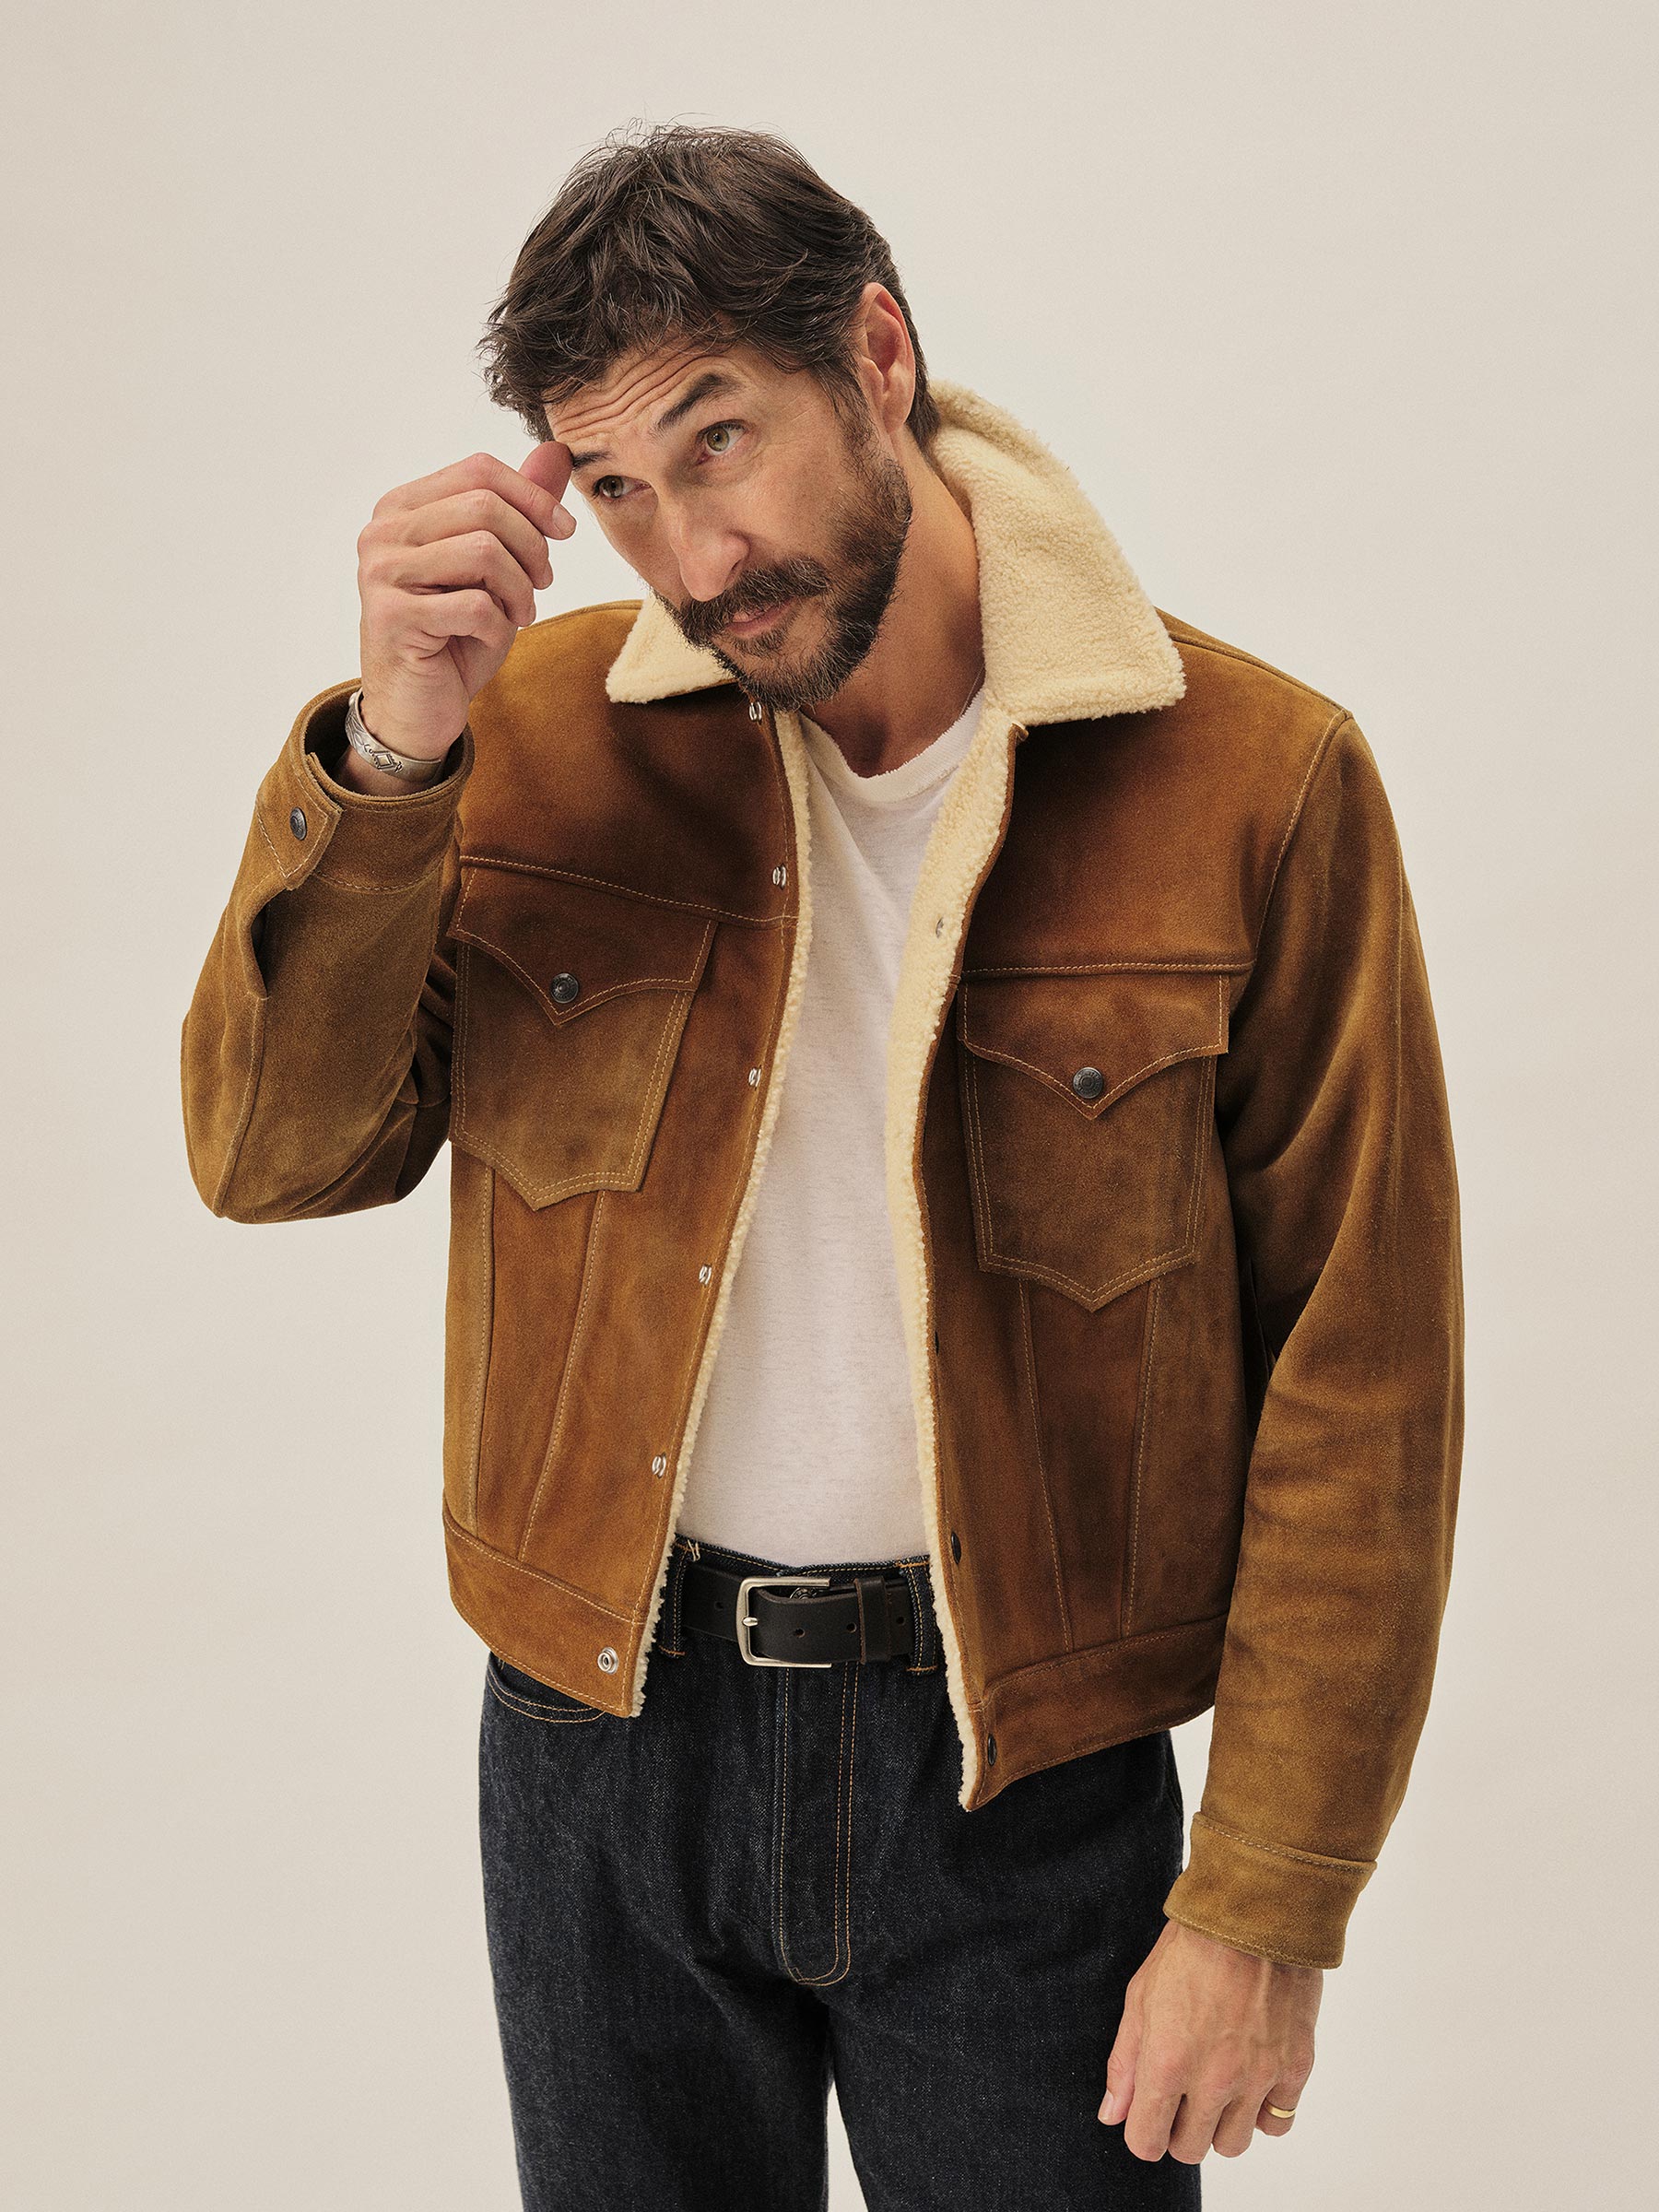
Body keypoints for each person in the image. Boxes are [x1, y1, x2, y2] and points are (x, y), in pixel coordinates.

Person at [181, 122, 1464, 2208]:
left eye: (720, 442)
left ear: (878, 355)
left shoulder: (1253, 781)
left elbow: (1364, 1370)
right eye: (616, 489)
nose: (693, 557)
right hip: (599, 1751)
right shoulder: (524, 737)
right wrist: (392, 751)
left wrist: (1268, 1900)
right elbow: (273, 1155)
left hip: (1022, 1778)